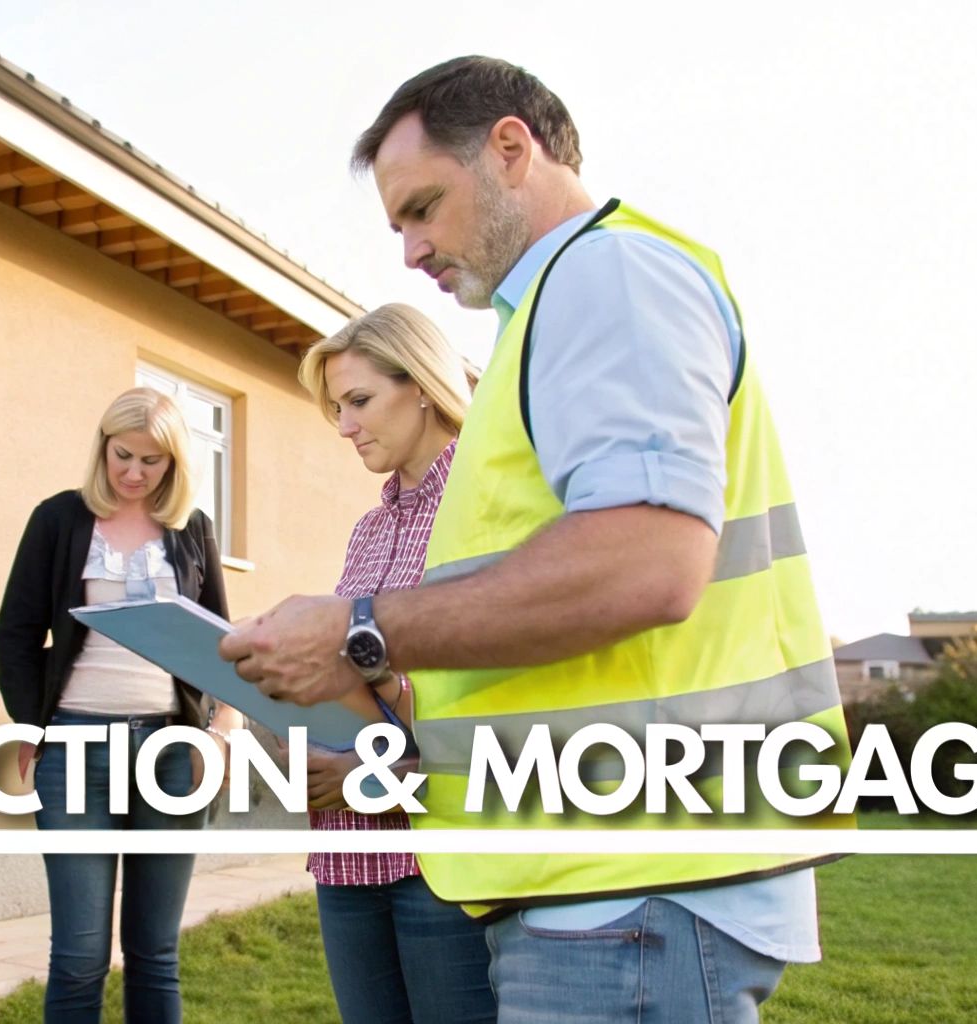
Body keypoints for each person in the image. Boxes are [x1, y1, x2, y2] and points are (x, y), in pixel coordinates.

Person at [218, 57, 853, 1023]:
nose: (411, 252)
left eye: (423, 207)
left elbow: (647, 562)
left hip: (632, 882)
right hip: (593, 876)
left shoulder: (607, 275)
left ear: (511, 149)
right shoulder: (547, 317)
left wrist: (353, 630)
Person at [0, 386, 244, 1024]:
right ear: (102, 449)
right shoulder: (58, 519)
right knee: (78, 954)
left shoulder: (193, 531)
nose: (133, 473)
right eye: (122, 455)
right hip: (75, 748)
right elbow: (16, 635)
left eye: (151, 461)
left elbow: (224, 645)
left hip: (170, 753)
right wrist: (31, 725)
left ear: (175, 464)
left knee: (155, 952)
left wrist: (218, 733)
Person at [291, 303, 494, 1024]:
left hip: (436, 856)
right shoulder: (368, 530)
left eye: (359, 401)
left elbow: (496, 694)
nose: (345, 427)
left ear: (423, 386)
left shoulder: (487, 507)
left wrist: (380, 695)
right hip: (346, 854)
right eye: (337, 408)